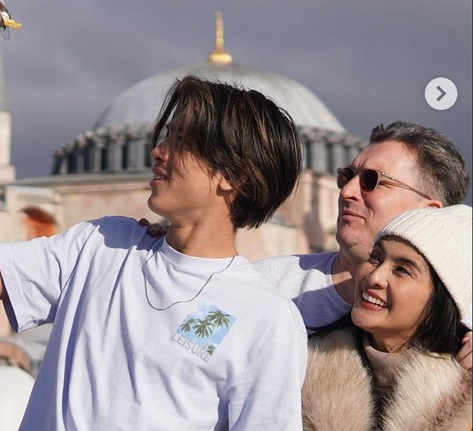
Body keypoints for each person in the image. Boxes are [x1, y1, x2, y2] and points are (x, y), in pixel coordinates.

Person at [0, 34, 309, 431]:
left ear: (232, 177)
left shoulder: (265, 318)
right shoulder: (101, 248)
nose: (159, 151)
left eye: (182, 142)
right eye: (166, 136)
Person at [143, 120, 473, 363]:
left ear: (429, 213)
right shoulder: (263, 281)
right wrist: (158, 256)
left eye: (372, 181)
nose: (347, 192)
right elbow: (181, 355)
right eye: (348, 176)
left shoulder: (464, 323)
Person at [279, 204, 472, 431]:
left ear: (441, 301)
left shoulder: (465, 393)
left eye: (402, 270)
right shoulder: (304, 369)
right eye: (375, 258)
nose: (375, 277)